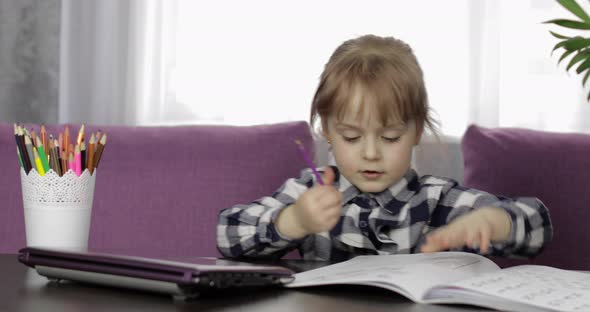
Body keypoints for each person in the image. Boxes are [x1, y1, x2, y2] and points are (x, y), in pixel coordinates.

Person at [216, 34, 553, 261]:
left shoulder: (435, 201)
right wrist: (293, 221)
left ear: (417, 130)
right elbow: (227, 233)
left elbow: (537, 223)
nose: (371, 153)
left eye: (390, 137)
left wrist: (495, 222)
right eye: (351, 137)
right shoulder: (309, 191)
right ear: (326, 130)